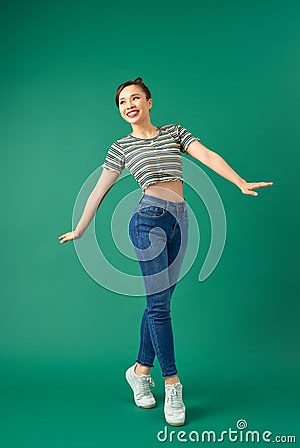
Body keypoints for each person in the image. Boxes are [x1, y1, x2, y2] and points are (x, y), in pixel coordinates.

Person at [58, 77, 273, 426]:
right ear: (120, 111)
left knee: (159, 304)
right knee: (159, 307)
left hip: (180, 222)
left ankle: (140, 371)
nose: (129, 104)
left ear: (149, 102)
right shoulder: (121, 148)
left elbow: (206, 155)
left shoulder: (174, 132)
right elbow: (98, 190)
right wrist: (81, 228)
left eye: (136, 98)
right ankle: (172, 383)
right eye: (123, 102)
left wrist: (238, 181)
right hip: (147, 222)